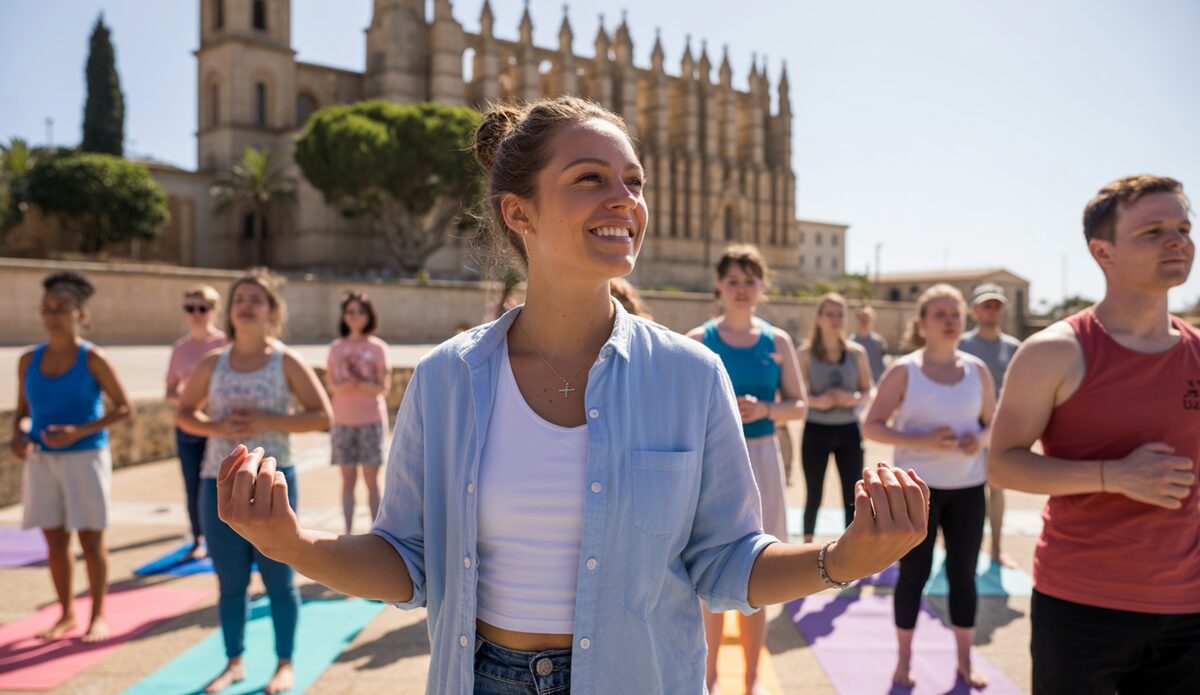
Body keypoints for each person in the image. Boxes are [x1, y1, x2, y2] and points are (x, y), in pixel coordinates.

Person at [212, 96, 929, 694]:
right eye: (591, 178)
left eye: (635, 181)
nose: (626, 200)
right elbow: (408, 561)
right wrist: (292, 543)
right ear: (518, 213)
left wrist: (847, 555)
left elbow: (727, 563)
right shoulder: (445, 378)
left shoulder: (690, 374)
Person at [989, 175, 1199, 695]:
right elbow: (1003, 464)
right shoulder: (1055, 351)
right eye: (1153, 231)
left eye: (1183, 227)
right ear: (1101, 251)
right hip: (1082, 604)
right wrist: (1114, 476)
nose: (1177, 241)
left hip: (1189, 609)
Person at [176, 269, 332, 694]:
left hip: (275, 484)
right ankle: (234, 661)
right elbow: (185, 412)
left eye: (255, 299)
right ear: (230, 310)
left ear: (272, 311)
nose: (246, 305)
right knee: (230, 583)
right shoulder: (214, 362)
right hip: (218, 483)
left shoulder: (287, 361)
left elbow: (323, 416)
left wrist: (268, 420)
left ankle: (284, 663)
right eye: (240, 298)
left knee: (280, 579)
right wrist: (216, 425)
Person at [686, 244, 808, 695]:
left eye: (749, 280)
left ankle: (751, 682)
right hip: (713, 464)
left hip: (762, 460)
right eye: (733, 280)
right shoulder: (699, 340)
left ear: (762, 287)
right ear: (719, 286)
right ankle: (712, 679)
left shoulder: (777, 342)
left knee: (762, 572)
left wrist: (767, 409)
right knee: (712, 572)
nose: (741, 289)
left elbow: (799, 406)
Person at [864, 284, 995, 689]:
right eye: (939, 314)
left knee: (963, 575)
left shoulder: (978, 370)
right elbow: (872, 424)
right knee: (913, 575)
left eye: (955, 313)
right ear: (921, 324)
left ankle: (963, 661)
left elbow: (993, 423)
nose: (950, 321)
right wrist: (921, 440)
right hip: (916, 492)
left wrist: (981, 438)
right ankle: (903, 662)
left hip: (969, 488)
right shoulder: (905, 370)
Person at [10, 271, 132, 642]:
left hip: (85, 460)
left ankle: (97, 615)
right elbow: (21, 413)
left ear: (80, 313)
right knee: (55, 542)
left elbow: (124, 408)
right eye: (46, 308)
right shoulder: (28, 359)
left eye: (61, 308)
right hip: (43, 461)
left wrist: (77, 433)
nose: (52, 315)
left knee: (91, 541)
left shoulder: (93, 358)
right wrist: (18, 436)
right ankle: (65, 613)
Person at [798, 293, 873, 543]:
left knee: (853, 494)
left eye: (840, 314)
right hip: (816, 429)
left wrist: (850, 398)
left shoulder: (856, 353)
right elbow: (794, 395)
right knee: (814, 494)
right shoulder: (805, 354)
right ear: (819, 318)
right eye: (829, 314)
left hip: (848, 431)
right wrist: (817, 401)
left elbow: (867, 391)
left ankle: (851, 551)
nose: (835, 319)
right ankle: (805, 548)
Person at [957, 282, 1021, 568]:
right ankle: (955, 547)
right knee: (961, 490)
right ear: (975, 310)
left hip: (999, 429)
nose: (992, 311)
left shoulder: (1015, 348)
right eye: (987, 305)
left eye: (997, 306)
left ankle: (995, 548)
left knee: (996, 486)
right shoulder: (961, 345)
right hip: (965, 429)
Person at [165, 285, 228, 561]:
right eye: (190, 308)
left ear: (215, 310)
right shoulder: (181, 348)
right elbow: (169, 390)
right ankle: (198, 538)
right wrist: (187, 403)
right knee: (193, 485)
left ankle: (229, 535)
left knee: (224, 483)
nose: (196, 314)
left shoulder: (226, 346)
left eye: (202, 308)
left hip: (221, 427)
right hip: (191, 427)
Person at [325, 290, 391, 534]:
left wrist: (359, 384)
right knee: (348, 480)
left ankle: (377, 532)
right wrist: (345, 386)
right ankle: (348, 531)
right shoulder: (336, 347)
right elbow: (331, 385)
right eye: (350, 311)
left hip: (371, 420)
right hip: (343, 420)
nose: (355, 316)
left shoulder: (378, 348)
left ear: (368, 315)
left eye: (360, 312)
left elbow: (382, 387)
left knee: (373, 481)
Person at [850, 305, 888, 383]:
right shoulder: (850, 343)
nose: (864, 321)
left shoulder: (879, 343)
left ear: (872, 320)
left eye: (866, 318)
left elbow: (883, 367)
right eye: (861, 318)